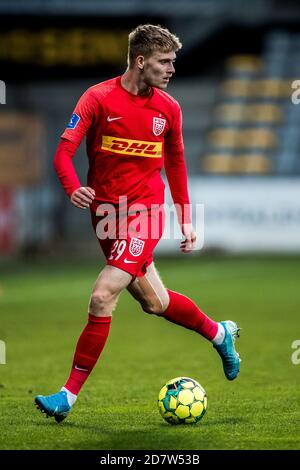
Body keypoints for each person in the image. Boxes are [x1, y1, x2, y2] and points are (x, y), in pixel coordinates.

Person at [35, 24, 241, 423]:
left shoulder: (169, 108)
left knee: (102, 295)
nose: (171, 70)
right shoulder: (97, 98)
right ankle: (220, 333)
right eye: (164, 62)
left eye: (173, 62)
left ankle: (67, 396)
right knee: (155, 302)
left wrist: (184, 218)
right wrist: (72, 187)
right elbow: (63, 153)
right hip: (106, 216)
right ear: (140, 60)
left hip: (145, 213)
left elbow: (176, 164)